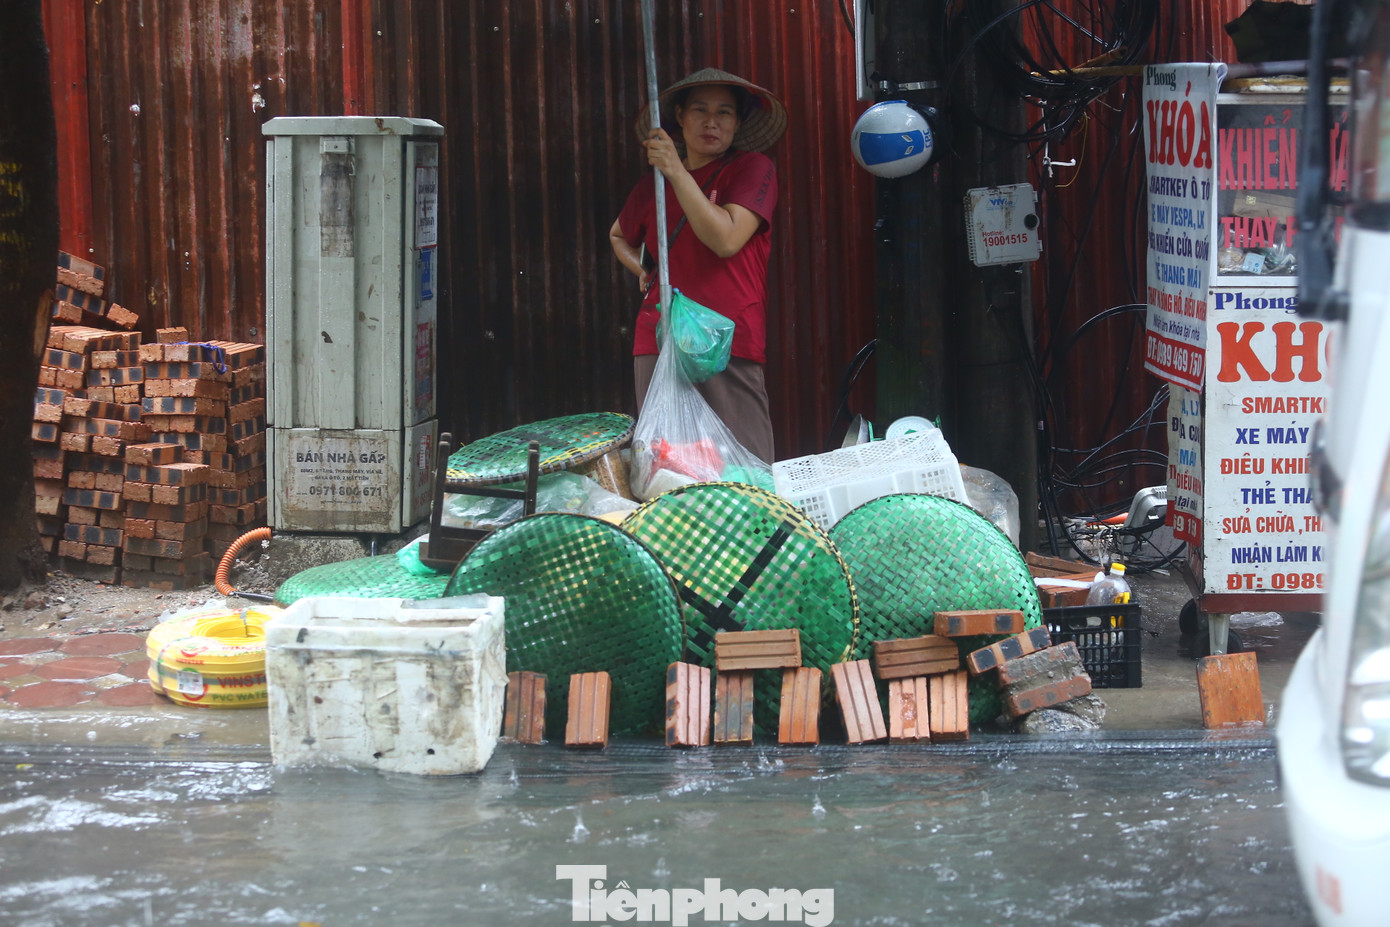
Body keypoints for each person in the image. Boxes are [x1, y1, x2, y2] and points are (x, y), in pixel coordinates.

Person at [609, 67, 786, 464]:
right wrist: (643, 270)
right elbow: (619, 236)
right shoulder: (652, 184)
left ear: (738, 123)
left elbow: (726, 239)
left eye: (724, 112)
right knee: (669, 468)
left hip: (726, 338)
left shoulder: (753, 169)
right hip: (660, 337)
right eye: (700, 110)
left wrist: (675, 171)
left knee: (746, 466)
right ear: (680, 117)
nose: (711, 121)